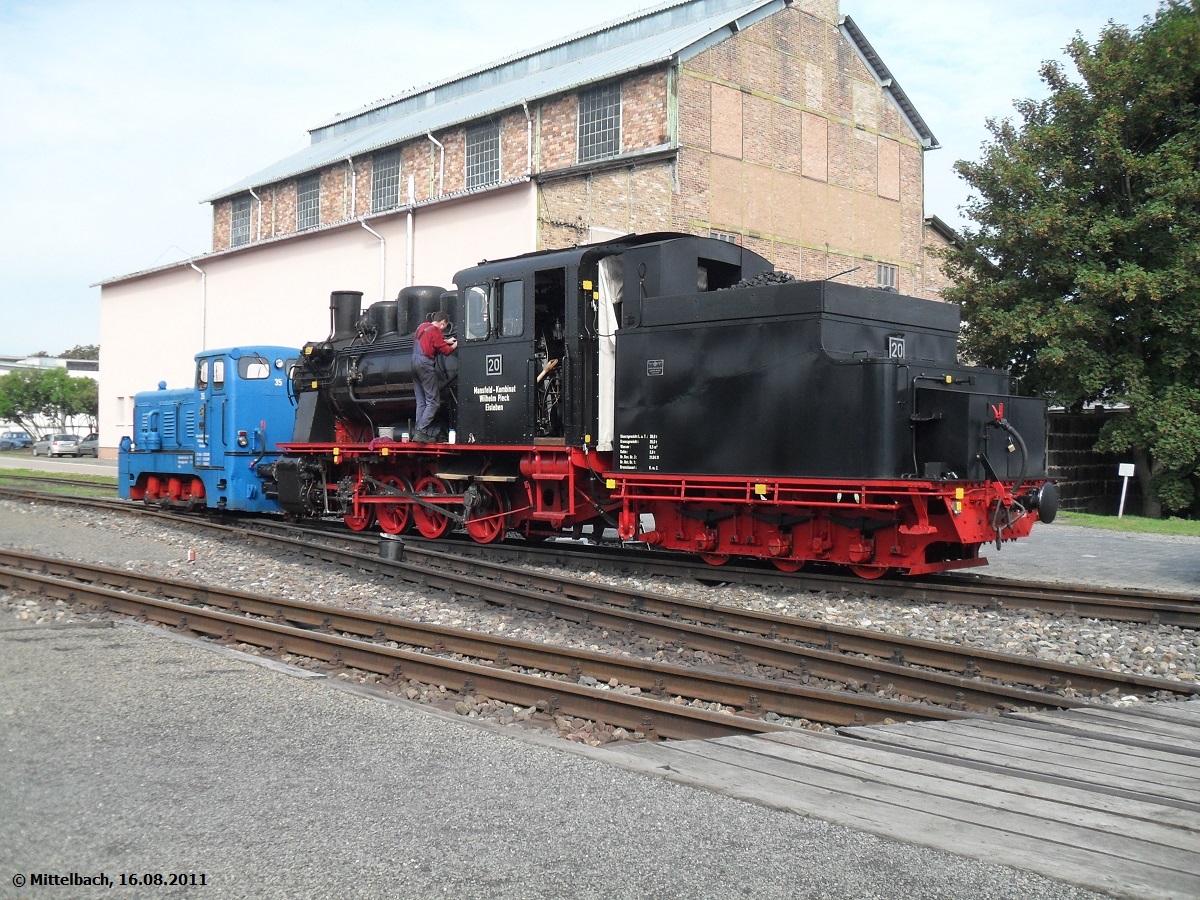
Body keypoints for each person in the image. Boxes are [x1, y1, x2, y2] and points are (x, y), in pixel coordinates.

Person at [411, 310, 457, 442]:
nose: (443, 330)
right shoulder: (436, 331)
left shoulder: (422, 326)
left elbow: (430, 341)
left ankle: (418, 432)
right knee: (433, 401)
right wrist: (455, 344)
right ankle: (421, 431)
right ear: (442, 323)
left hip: (414, 363)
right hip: (425, 364)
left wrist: (445, 340)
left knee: (421, 401)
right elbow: (446, 351)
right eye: (444, 327)